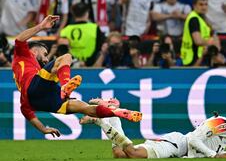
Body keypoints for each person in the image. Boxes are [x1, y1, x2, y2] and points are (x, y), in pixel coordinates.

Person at [11, 15, 142, 137]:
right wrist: (41, 26)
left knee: (87, 109)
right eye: (45, 54)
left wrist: (43, 129)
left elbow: (26, 112)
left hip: (38, 100)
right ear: (34, 50)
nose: (46, 59)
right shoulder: (24, 54)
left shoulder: (28, 74)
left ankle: (119, 112)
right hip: (36, 87)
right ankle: (65, 85)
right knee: (66, 57)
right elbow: (19, 39)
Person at [80, 106, 226, 159]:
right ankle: (100, 120)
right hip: (177, 145)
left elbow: (210, 147)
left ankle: (112, 115)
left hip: (180, 148)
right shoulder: (220, 124)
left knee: (119, 153)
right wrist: (214, 156)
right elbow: (194, 139)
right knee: (132, 153)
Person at [180, 0, 220, 66]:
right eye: (201, 4)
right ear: (194, 6)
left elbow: (212, 32)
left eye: (206, 4)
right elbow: (198, 41)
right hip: (193, 58)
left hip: (200, 56)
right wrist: (210, 42)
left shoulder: (202, 18)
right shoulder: (194, 19)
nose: (204, 7)